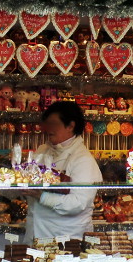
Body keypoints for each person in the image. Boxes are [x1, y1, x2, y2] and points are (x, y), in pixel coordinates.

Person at [24, 100, 102, 241]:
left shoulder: (83, 159)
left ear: (70, 126)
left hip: (65, 238)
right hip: (35, 234)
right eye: (46, 123)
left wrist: (41, 196)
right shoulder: (42, 150)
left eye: (53, 124)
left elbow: (78, 203)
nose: (48, 128)